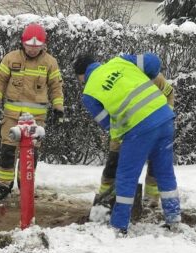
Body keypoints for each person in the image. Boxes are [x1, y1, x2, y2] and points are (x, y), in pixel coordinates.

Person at [74, 52, 181, 234]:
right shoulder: (119, 61)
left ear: (81, 75)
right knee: (165, 172)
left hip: (139, 129)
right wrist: (147, 77)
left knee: (126, 176)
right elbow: (154, 61)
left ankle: (119, 225)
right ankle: (174, 220)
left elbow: (106, 122)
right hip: (164, 118)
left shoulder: (89, 93)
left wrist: (121, 133)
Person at [0, 23, 65, 201]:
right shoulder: (11, 58)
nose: (32, 50)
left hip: (36, 120)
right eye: (29, 45)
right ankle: (4, 186)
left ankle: (26, 186)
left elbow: (56, 87)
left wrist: (58, 109)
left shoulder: (50, 63)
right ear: (23, 43)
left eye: (37, 46)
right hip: (12, 117)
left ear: (43, 45)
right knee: (7, 151)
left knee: (30, 154)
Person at [94, 71, 175, 209]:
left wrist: (164, 118)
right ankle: (104, 197)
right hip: (124, 127)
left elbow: (169, 94)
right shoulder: (119, 79)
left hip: (153, 125)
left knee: (155, 164)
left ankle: (151, 200)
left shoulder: (155, 77)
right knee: (114, 162)